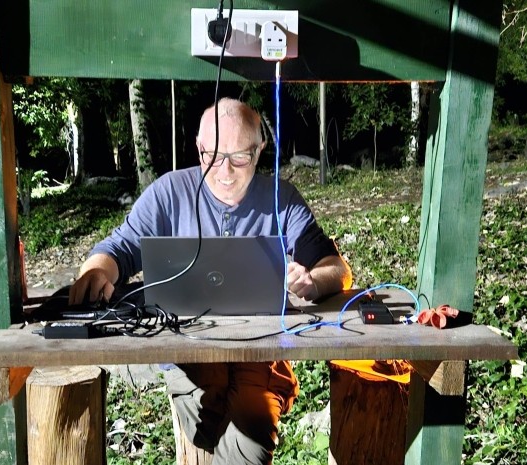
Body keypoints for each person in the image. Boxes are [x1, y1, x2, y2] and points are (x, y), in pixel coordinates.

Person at [69, 97, 352, 464]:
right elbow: (118, 247)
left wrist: (314, 280)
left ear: (260, 149)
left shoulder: (281, 199)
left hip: (259, 354)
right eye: (213, 157)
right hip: (187, 351)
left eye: (239, 158)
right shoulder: (169, 193)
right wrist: (96, 272)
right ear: (199, 148)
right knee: (212, 419)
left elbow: (337, 269)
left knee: (253, 434)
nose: (225, 171)